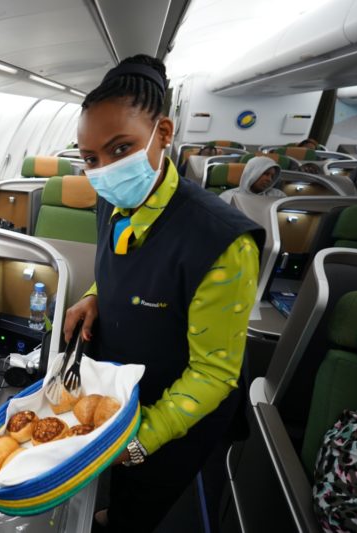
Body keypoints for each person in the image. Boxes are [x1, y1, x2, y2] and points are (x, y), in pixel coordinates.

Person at [64, 54, 264, 532]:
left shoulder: (221, 240)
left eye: (120, 149)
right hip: (123, 380)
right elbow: (120, 262)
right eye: (90, 158)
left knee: (145, 498)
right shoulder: (111, 198)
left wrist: (138, 439)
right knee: (119, 488)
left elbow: (215, 373)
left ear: (165, 133)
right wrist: (94, 294)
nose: (105, 170)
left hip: (179, 411)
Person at [219, 155, 286, 204]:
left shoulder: (278, 196)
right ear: (252, 173)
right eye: (266, 174)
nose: (269, 179)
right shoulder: (228, 197)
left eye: (272, 176)